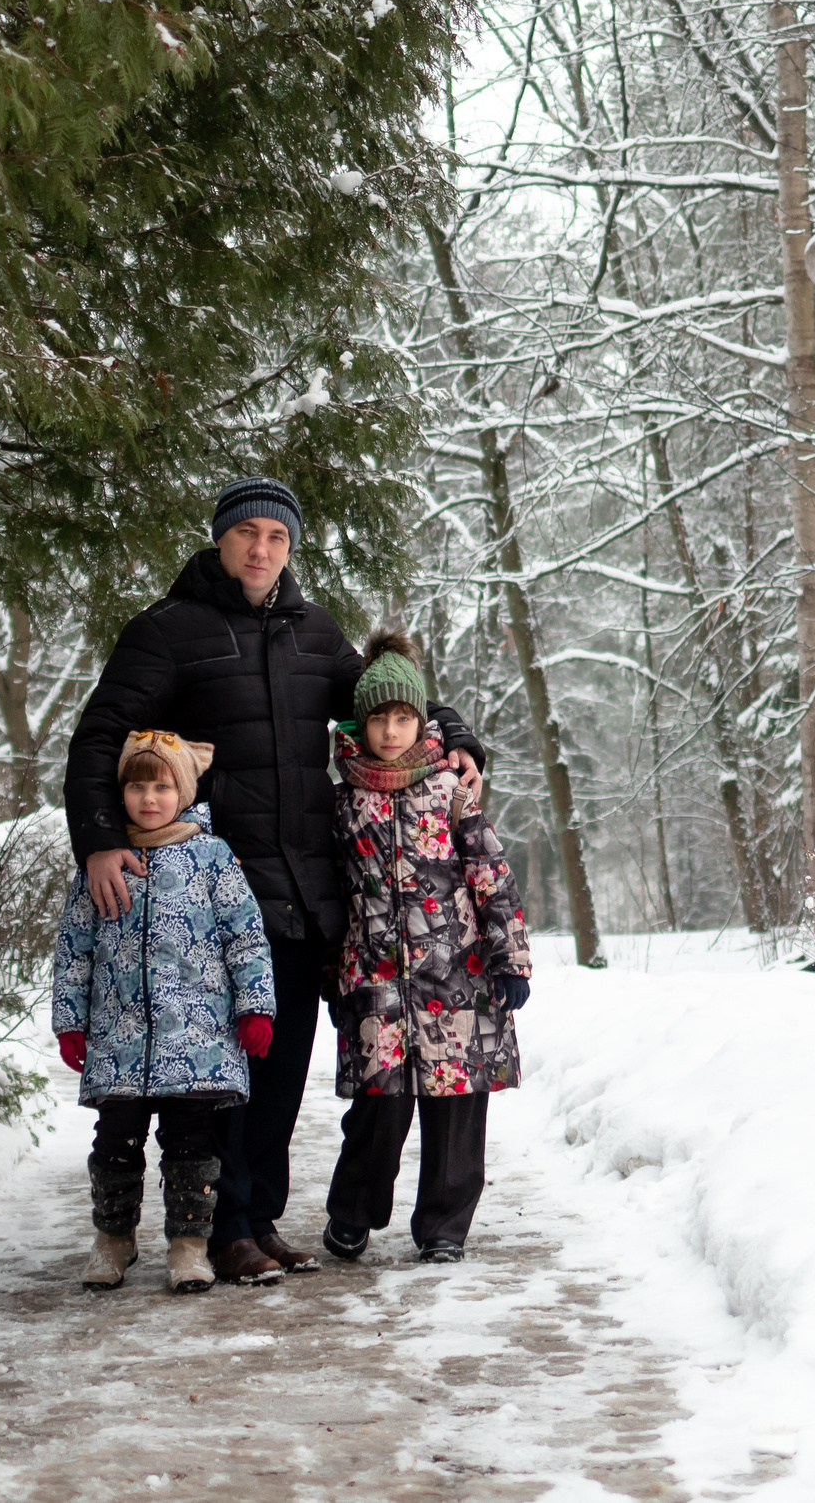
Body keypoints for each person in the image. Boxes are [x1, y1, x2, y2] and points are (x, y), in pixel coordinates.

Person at [62, 477, 487, 1284]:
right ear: (221, 538)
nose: (262, 549)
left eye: (277, 537)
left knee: (282, 1067)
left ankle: (255, 1219)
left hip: (300, 894)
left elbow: (385, 697)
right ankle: (222, 1228)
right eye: (248, 532)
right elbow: (98, 737)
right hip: (208, 897)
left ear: (291, 548)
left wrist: (456, 735)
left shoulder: (312, 632)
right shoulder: (167, 631)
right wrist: (100, 841)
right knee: (227, 1076)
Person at [320, 632, 531, 1265]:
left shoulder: (449, 793)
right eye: (379, 718)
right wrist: (334, 974)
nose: (390, 730)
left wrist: (510, 958)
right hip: (376, 981)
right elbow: (333, 892)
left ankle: (444, 1226)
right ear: (361, 723)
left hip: (456, 979)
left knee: (456, 1107)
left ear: (422, 720)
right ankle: (353, 1213)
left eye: (403, 717)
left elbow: (492, 877)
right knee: (378, 1108)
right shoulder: (343, 801)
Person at [51, 730, 277, 1293]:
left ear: (184, 791)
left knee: (191, 1146)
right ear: (120, 792)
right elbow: (75, 944)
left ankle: (189, 1246)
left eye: (162, 786)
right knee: (116, 1140)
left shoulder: (212, 857)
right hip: (119, 1035)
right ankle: (113, 1239)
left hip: (198, 1040)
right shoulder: (102, 861)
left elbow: (245, 936)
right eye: (137, 787)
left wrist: (256, 1007)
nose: (149, 799)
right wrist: (70, 1021)